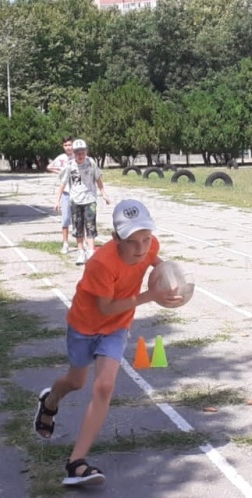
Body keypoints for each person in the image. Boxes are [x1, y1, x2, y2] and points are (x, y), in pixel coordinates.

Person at [32, 199, 184, 487]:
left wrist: (170, 278)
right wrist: (150, 296)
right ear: (115, 238)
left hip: (116, 328)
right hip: (85, 325)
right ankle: (49, 401)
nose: (141, 248)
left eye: (146, 238)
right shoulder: (101, 262)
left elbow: (156, 262)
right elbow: (106, 308)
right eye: (132, 241)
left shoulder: (150, 246)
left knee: (103, 386)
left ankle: (76, 462)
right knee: (76, 382)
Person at [55, 139, 110, 265]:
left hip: (90, 199)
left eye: (82, 152)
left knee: (90, 226)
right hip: (75, 200)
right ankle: (81, 252)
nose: (80, 155)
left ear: (86, 152)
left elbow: (98, 179)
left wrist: (104, 194)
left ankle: (91, 252)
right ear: (74, 153)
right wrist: (57, 200)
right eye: (77, 153)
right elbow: (63, 183)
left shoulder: (91, 163)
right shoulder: (70, 166)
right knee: (78, 227)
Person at [47, 137, 75, 254]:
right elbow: (49, 167)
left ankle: (82, 242)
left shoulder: (77, 156)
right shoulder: (61, 158)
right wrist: (60, 171)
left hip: (78, 192)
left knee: (80, 219)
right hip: (66, 192)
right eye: (65, 145)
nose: (68, 147)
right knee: (65, 219)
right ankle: (65, 243)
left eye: (70, 145)